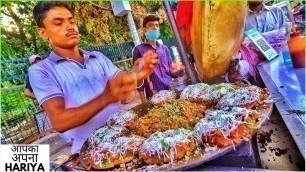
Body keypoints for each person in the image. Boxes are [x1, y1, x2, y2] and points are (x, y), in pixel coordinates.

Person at [29, 2, 159, 153]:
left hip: (127, 138)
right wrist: (106, 97)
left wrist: (138, 73)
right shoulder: (41, 70)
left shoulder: (98, 57)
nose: (70, 27)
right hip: (91, 151)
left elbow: (124, 88)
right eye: (58, 23)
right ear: (43, 33)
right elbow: (59, 120)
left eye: (71, 21)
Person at [132, 14, 184, 103]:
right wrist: (143, 102)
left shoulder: (164, 48)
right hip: (153, 94)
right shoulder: (138, 50)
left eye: (157, 25)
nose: (155, 28)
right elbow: (138, 78)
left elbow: (171, 71)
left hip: (170, 90)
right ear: (144, 30)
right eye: (151, 25)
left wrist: (178, 70)